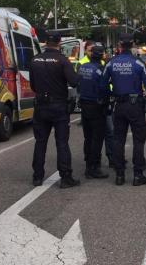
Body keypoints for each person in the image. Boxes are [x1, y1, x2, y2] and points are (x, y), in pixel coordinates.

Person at [101, 33, 146, 186]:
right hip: (135, 106)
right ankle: (138, 175)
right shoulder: (139, 64)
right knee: (139, 141)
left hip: (119, 105)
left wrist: (111, 96)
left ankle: (119, 175)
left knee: (118, 140)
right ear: (132, 44)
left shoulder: (111, 63)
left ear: (119, 44)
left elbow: (102, 85)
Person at [30, 33, 80, 188]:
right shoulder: (62, 60)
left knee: (40, 142)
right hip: (58, 105)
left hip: (40, 106)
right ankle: (65, 177)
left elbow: (33, 85)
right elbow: (74, 81)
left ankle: (37, 177)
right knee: (62, 143)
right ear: (59, 43)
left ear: (46, 43)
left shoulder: (35, 60)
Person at [78, 45, 109, 180]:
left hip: (84, 106)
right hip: (97, 106)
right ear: (101, 56)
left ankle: (87, 165)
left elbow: (78, 84)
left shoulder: (82, 67)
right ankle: (94, 167)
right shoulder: (100, 70)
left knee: (88, 137)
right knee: (97, 138)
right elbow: (104, 88)